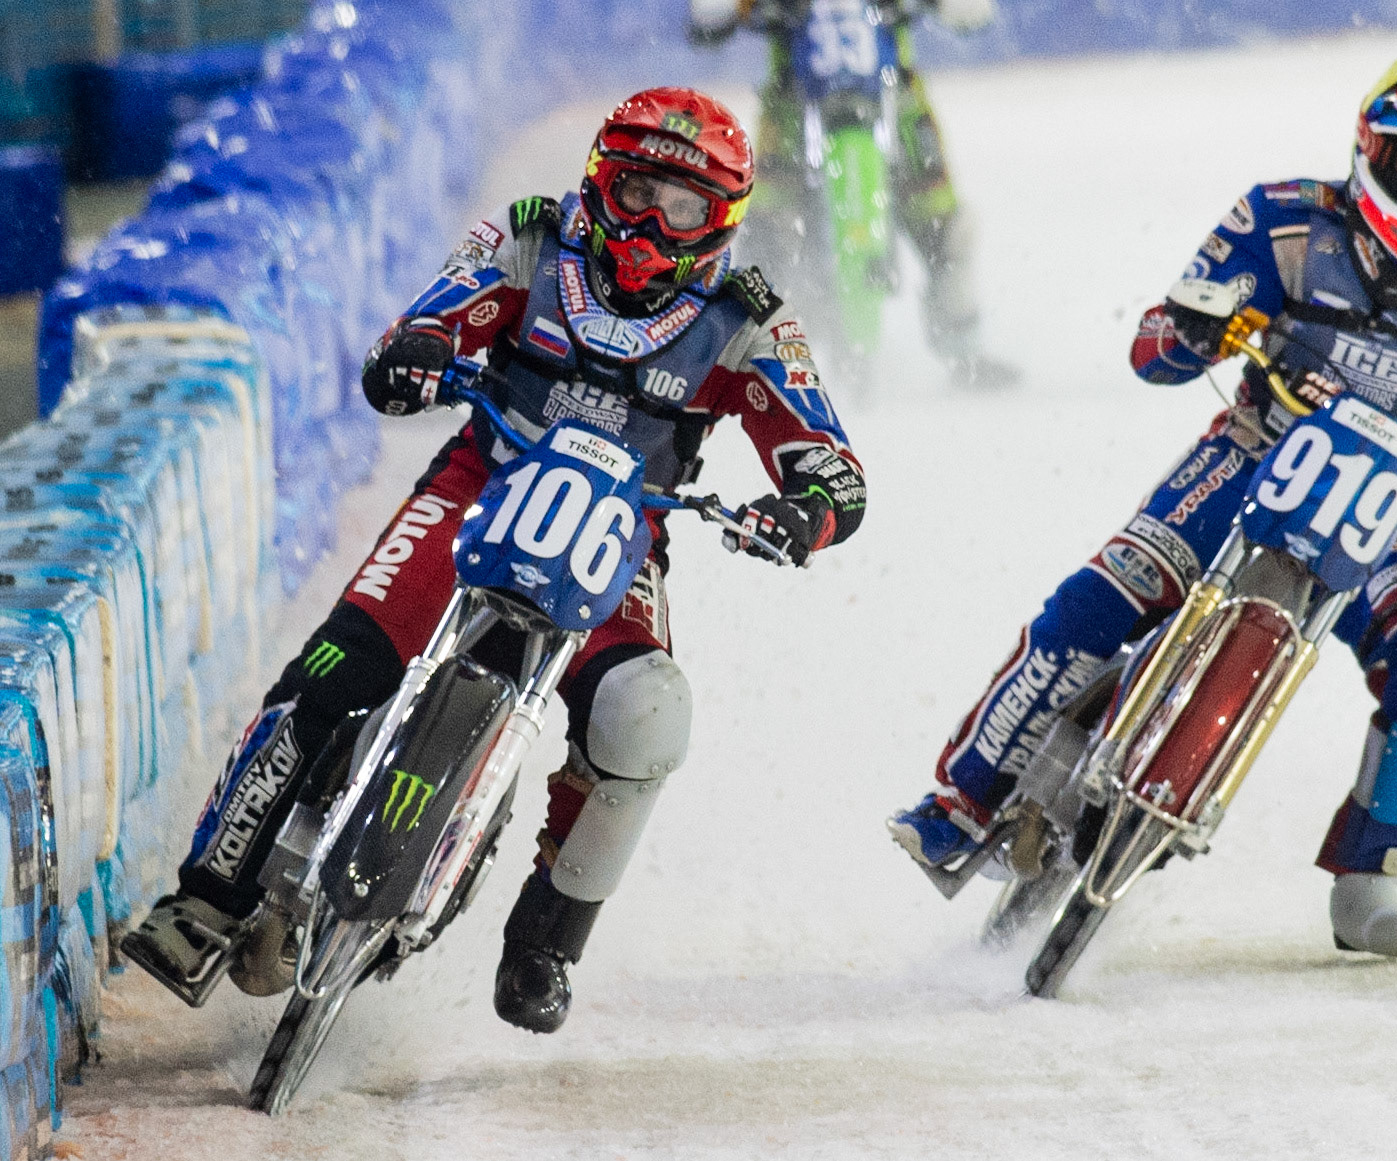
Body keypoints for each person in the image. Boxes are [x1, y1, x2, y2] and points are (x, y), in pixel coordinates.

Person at [120, 87, 868, 1033]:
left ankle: (545, 943)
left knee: (646, 716)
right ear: (599, 176)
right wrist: (418, 353)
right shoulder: (526, 243)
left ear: (717, 223)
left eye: (678, 206)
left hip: (621, 532)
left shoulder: (752, 322)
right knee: (338, 660)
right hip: (480, 479)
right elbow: (425, 323)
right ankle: (209, 895)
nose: (646, 222)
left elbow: (832, 465)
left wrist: (803, 509)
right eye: (633, 187)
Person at [888, 58, 1397, 957]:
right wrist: (1195, 327)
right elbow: (1156, 346)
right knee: (1095, 606)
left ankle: (1370, 877)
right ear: (1367, 150)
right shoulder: (1282, 216)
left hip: (1387, 502)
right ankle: (960, 802)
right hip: (1247, 454)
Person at [688, 0, 1017, 385]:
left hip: (892, 94)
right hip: (794, 96)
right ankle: (748, 354)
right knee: (766, 229)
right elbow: (715, 14)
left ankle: (964, 349)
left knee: (942, 221)